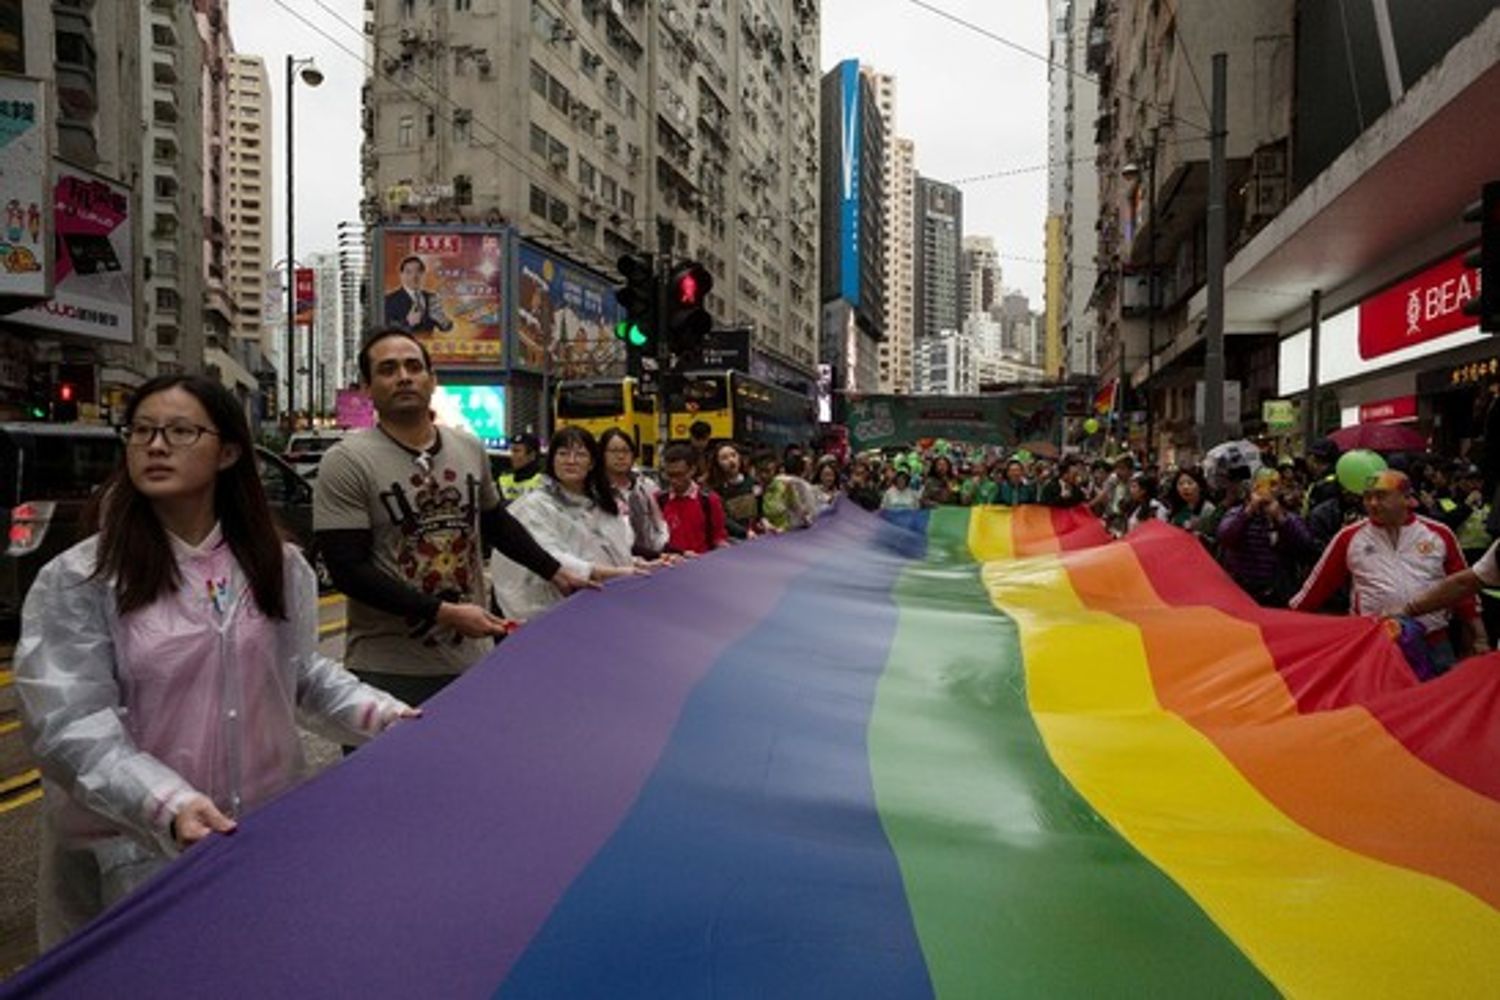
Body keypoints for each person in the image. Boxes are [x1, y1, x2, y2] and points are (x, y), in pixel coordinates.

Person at [16, 375, 416, 947]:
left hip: (258, 837)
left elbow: (299, 673)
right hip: (132, 853)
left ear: (228, 451)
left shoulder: (276, 566)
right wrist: (165, 803)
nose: (155, 446)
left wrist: (386, 718)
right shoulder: (84, 577)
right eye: (143, 431)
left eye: (180, 431)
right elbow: (68, 724)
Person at [313, 329, 590, 709]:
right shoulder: (346, 461)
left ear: (432, 379)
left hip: (471, 663)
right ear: (366, 387)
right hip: (388, 672)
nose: (404, 377)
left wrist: (557, 573)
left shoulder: (468, 447)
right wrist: (443, 613)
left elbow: (496, 524)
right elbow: (348, 570)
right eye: (388, 369)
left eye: (414, 366)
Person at [1292, 470, 1484, 668]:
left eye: (1381, 496)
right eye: (1367, 497)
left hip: (1434, 643)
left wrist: (1480, 637)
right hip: (1374, 643)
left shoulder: (1439, 534)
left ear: (1407, 499)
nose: (1372, 503)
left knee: (1441, 698)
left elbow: (1464, 588)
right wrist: (1282, 626)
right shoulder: (1349, 537)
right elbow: (1316, 588)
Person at [491, 427, 646, 621]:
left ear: (592, 463)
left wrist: (641, 564)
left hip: (602, 609)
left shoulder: (602, 504)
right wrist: (619, 573)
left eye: (580, 454)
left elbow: (615, 550)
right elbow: (552, 557)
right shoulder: (534, 505)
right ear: (552, 459)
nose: (571, 461)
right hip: (551, 611)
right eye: (563, 453)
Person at [599, 427, 670, 559]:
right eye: (613, 451)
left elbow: (659, 525)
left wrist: (669, 552)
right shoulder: (596, 491)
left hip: (654, 563)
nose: (620, 456)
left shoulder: (646, 486)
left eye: (626, 451)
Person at [657, 442, 729, 554]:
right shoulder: (659, 500)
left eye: (679, 474)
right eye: (670, 475)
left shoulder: (709, 500)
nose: (674, 481)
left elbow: (718, 537)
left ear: (692, 470)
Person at [383, 254, 454, 334]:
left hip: (428, 345)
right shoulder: (389, 300)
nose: (414, 276)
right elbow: (386, 328)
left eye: (418, 271)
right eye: (409, 272)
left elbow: (445, 328)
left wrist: (443, 321)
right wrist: (407, 322)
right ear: (401, 275)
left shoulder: (431, 297)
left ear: (423, 274)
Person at [706, 441, 762, 539]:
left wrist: (764, 522)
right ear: (717, 463)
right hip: (732, 539)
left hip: (756, 535)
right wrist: (744, 533)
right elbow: (724, 519)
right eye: (724, 458)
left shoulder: (753, 482)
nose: (731, 460)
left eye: (733, 455)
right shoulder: (715, 490)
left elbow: (760, 510)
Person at [761, 451, 819, 530]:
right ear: (803, 469)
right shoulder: (804, 486)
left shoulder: (774, 482)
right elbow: (812, 514)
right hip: (793, 530)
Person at [1166, 468, 1219, 545]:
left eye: (1190, 483)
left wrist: (1200, 537)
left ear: (1200, 486)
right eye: (1180, 484)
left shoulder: (1208, 509)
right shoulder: (1177, 508)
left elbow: (1216, 540)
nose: (1185, 487)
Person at [499, 431, 545, 503]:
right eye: (512, 451)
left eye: (516, 451)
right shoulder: (503, 479)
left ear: (532, 455)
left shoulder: (544, 482)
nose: (512, 456)